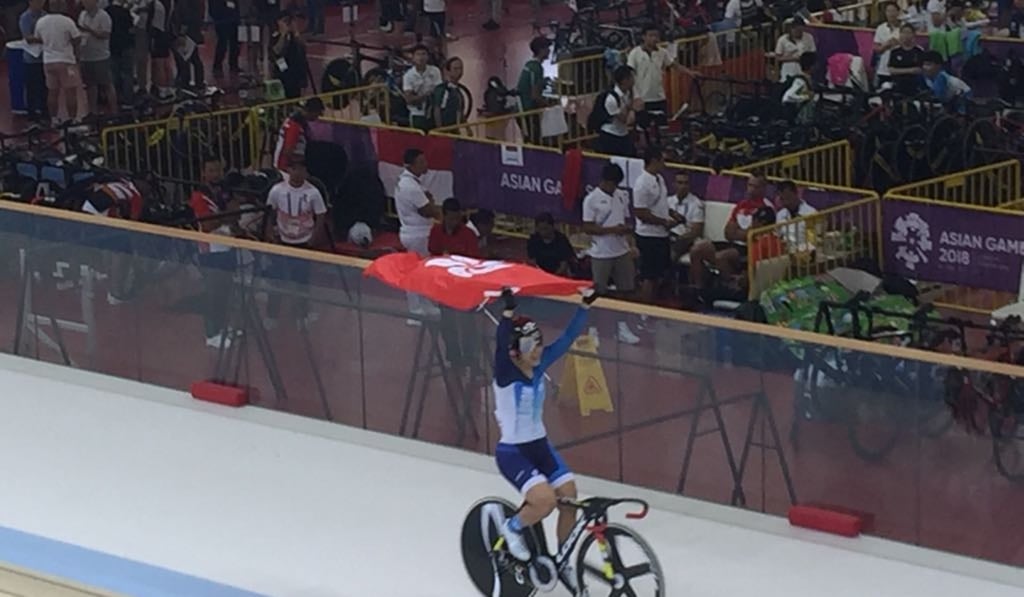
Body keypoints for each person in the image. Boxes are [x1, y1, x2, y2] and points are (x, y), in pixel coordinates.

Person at [494, 286, 597, 597]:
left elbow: (565, 340)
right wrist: (507, 313)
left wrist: (584, 306)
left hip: (540, 446)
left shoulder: (539, 366)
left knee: (569, 497)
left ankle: (563, 559)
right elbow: (499, 345)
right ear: (515, 350)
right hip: (513, 452)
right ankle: (510, 528)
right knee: (546, 501)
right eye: (529, 344)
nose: (537, 350)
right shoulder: (505, 373)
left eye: (538, 342)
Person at [264, 157, 327, 330]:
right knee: (277, 279)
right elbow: (269, 212)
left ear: (306, 172)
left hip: (303, 242)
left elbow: (321, 215)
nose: (298, 173)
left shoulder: (313, 193)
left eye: (301, 169)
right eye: (294, 169)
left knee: (301, 281)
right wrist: (270, 231)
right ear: (289, 170)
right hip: (282, 241)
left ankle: (302, 315)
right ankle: (272, 315)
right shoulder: (277, 190)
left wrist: (314, 238)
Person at [582, 162, 640, 344]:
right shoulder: (591, 200)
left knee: (626, 290)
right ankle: (593, 329)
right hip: (601, 253)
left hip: (621, 250)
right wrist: (611, 230)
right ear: (604, 181)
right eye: (612, 183)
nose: (614, 187)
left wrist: (629, 240)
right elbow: (588, 227)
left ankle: (622, 327)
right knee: (598, 292)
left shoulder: (621, 196)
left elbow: (625, 220)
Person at [189, 155, 242, 348]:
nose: (215, 174)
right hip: (211, 249)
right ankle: (211, 333)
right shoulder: (199, 195)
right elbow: (208, 224)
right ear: (203, 173)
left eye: (218, 170)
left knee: (226, 289)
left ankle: (223, 327)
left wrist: (230, 217)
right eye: (211, 170)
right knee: (213, 291)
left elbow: (235, 212)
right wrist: (227, 215)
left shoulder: (225, 191)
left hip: (228, 246)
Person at [688, 172, 772, 290]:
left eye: (755, 187)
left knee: (721, 257)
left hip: (750, 249)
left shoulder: (766, 208)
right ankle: (698, 289)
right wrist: (742, 233)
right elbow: (728, 233)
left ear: (763, 189)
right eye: (749, 185)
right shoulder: (741, 205)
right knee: (697, 249)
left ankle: (733, 286)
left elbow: (753, 235)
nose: (751, 189)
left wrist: (739, 233)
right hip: (732, 244)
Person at [429, 198, 482, 372]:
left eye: (456, 218)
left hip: (465, 285)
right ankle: (454, 359)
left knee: (468, 325)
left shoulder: (469, 235)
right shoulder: (436, 231)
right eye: (450, 218)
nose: (453, 222)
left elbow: (474, 261)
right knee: (448, 324)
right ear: (444, 216)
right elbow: (433, 253)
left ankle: (471, 359)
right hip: (445, 285)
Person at [627, 24, 696, 146]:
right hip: (642, 98)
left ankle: (662, 153)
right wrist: (635, 96)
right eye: (651, 35)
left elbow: (674, 65)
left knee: (663, 128)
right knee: (643, 130)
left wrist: (689, 72)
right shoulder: (635, 53)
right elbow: (630, 75)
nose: (654, 39)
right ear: (644, 37)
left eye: (656, 36)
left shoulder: (662, 52)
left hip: (659, 96)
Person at [395, 148, 441, 322]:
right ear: (411, 165)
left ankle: (425, 304)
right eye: (421, 162)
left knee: (420, 270)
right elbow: (428, 210)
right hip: (417, 234)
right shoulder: (410, 186)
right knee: (417, 271)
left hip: (414, 232)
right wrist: (435, 208)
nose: (425, 165)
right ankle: (415, 311)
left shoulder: (411, 182)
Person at [632, 146, 677, 303]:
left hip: (661, 235)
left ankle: (656, 302)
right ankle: (646, 307)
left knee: (659, 273)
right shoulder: (642, 184)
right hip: (648, 235)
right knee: (649, 275)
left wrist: (672, 214)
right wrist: (663, 222)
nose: (664, 164)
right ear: (654, 161)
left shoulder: (660, 179)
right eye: (662, 160)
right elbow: (640, 212)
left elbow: (661, 204)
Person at [35, 0, 87, 124]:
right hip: (66, 60)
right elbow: (77, 38)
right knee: (70, 91)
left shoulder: (41, 21)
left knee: (52, 92)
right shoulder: (67, 21)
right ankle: (73, 119)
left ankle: (54, 119)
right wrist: (75, 53)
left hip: (48, 61)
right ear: (60, 5)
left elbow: (38, 38)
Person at [78, 0, 118, 115]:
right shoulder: (82, 15)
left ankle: (114, 111)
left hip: (101, 56)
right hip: (86, 56)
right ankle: (93, 111)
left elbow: (105, 34)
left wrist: (90, 30)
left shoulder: (104, 16)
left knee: (107, 84)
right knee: (90, 85)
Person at [596, 65, 640, 157]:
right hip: (610, 135)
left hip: (623, 133)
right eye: (632, 77)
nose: (634, 80)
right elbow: (623, 119)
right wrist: (630, 108)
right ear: (625, 80)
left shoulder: (628, 92)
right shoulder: (611, 98)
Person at [273, 96, 324, 173]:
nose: (317, 117)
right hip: (287, 168)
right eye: (317, 114)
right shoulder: (295, 126)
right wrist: (303, 163)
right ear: (312, 111)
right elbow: (288, 151)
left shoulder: (293, 121)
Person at [516, 36, 552, 144]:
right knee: (535, 141)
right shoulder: (537, 68)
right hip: (527, 110)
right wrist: (549, 105)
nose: (549, 50)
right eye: (547, 48)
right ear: (541, 50)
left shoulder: (529, 65)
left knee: (530, 139)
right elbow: (535, 95)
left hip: (521, 109)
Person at [18, 0, 48, 122]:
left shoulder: (46, 16)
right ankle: (31, 114)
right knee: (31, 87)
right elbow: (28, 37)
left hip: (44, 57)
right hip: (31, 58)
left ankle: (45, 111)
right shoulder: (25, 17)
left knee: (44, 86)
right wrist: (45, 38)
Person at [403, 44, 443, 131]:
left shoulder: (435, 71)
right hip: (417, 114)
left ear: (428, 57)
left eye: (424, 54)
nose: (421, 57)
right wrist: (425, 96)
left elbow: (439, 91)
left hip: (433, 113)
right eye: (418, 54)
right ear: (413, 57)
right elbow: (409, 99)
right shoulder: (408, 76)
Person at [271, 9, 309, 99]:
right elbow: (276, 51)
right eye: (285, 21)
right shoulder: (275, 36)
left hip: (295, 74)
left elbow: (303, 47)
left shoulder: (294, 36)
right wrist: (283, 34)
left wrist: (295, 32)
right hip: (281, 74)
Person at [667, 171, 705, 261]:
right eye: (680, 183)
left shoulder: (696, 204)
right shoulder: (667, 201)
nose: (683, 186)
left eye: (686, 183)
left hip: (684, 239)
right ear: (674, 185)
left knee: (673, 249)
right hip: (667, 236)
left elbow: (696, 231)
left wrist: (678, 239)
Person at [106, 0, 135, 107]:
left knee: (114, 74)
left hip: (112, 46)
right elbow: (131, 29)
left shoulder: (106, 12)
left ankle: (116, 98)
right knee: (127, 73)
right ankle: (128, 99)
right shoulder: (125, 12)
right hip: (126, 46)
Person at [774, 179, 818, 250]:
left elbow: (816, 239)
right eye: (782, 198)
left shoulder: (811, 213)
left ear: (795, 193)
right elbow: (778, 236)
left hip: (806, 252)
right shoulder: (780, 214)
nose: (785, 201)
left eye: (788, 197)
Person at [771, 17, 816, 83]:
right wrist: (793, 58)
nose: (798, 32)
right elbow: (778, 57)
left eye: (800, 30)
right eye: (796, 29)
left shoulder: (809, 37)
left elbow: (813, 53)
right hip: (789, 68)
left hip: (804, 68)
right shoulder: (783, 39)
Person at [887, 23, 925, 96]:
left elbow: (919, 70)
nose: (906, 35)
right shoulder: (895, 51)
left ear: (913, 35)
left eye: (908, 33)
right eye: (903, 32)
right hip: (897, 83)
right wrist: (910, 70)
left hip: (914, 84)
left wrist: (900, 70)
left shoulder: (919, 51)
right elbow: (891, 70)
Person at [874, 1, 902, 86]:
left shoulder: (904, 27)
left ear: (898, 12)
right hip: (884, 68)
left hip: (900, 67)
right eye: (888, 11)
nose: (891, 14)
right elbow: (876, 49)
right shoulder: (881, 28)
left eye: (893, 11)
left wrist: (898, 43)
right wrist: (885, 45)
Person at [432, 56, 465, 129]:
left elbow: (460, 110)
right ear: (447, 71)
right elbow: (437, 110)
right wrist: (440, 130)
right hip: (445, 130)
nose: (459, 72)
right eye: (455, 69)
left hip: (455, 129)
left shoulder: (457, 90)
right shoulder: (443, 90)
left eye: (461, 68)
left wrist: (467, 128)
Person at [210, 0, 241, 76]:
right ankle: (217, 66)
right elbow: (213, 9)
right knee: (222, 44)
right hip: (221, 21)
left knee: (235, 44)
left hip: (233, 20)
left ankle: (233, 64)